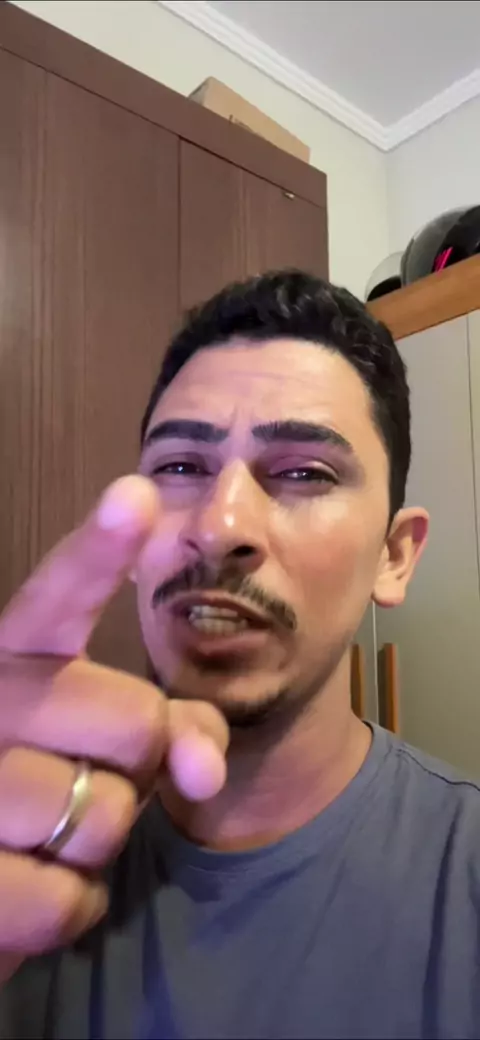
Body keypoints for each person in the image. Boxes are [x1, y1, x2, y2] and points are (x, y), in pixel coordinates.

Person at [0, 269, 478, 1040]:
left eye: (303, 473)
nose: (220, 526)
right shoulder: (19, 874)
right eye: (181, 467)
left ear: (394, 556)